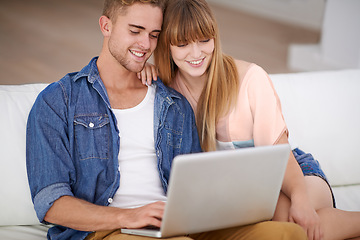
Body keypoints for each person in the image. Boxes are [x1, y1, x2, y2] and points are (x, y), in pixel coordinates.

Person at [26, 0, 308, 240]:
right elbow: (50, 203)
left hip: (177, 226)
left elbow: (196, 182)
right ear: (106, 26)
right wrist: (129, 216)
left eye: (153, 35)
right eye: (135, 31)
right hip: (109, 230)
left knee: (287, 234)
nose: (145, 44)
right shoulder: (59, 101)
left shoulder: (172, 101)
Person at [139, 0, 360, 240]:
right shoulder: (167, 86)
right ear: (167, 46)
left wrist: (301, 200)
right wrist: (144, 69)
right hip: (241, 192)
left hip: (294, 176)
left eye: (204, 40)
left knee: (283, 221)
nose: (196, 53)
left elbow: (279, 153)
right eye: (182, 44)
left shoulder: (250, 78)